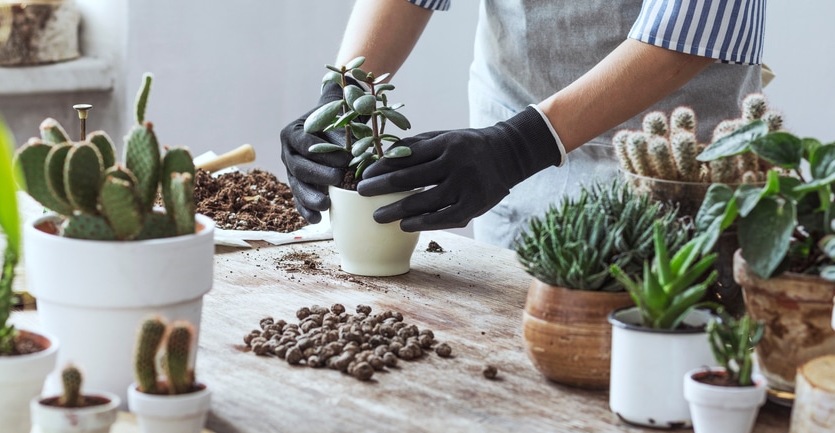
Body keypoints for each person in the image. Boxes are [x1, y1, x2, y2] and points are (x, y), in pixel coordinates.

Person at [280, 0, 764, 248]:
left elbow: (697, 24)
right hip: (511, 170)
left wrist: (518, 146)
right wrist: (343, 94)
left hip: (676, 172)